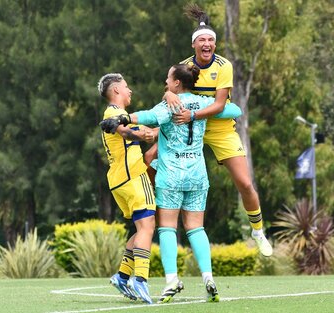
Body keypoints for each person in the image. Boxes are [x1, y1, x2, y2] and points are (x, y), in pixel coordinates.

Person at [101, 64, 242, 303]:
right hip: (197, 174)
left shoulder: (169, 105)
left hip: (170, 176)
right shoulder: (203, 103)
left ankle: (169, 280)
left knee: (165, 228)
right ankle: (208, 277)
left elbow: (149, 116)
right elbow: (234, 109)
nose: (165, 83)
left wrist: (126, 117)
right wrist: (198, 114)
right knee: (196, 229)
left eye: (168, 79)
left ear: (176, 82)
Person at [154, 3, 273, 257]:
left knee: (244, 183)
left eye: (211, 40)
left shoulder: (224, 66)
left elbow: (220, 105)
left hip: (216, 128)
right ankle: (147, 218)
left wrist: (192, 114)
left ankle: (258, 230)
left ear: (215, 45)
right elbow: (171, 86)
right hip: (190, 128)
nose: (206, 44)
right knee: (151, 156)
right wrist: (167, 94)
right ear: (194, 45)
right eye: (202, 40)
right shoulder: (185, 65)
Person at [98, 73, 158, 304]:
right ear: (115, 91)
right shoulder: (114, 114)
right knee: (147, 227)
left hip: (118, 180)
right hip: (133, 176)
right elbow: (123, 131)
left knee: (141, 228)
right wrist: (140, 134)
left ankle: (123, 276)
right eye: (126, 87)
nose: (130, 90)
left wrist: (152, 131)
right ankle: (140, 279)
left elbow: (150, 131)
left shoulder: (118, 115)